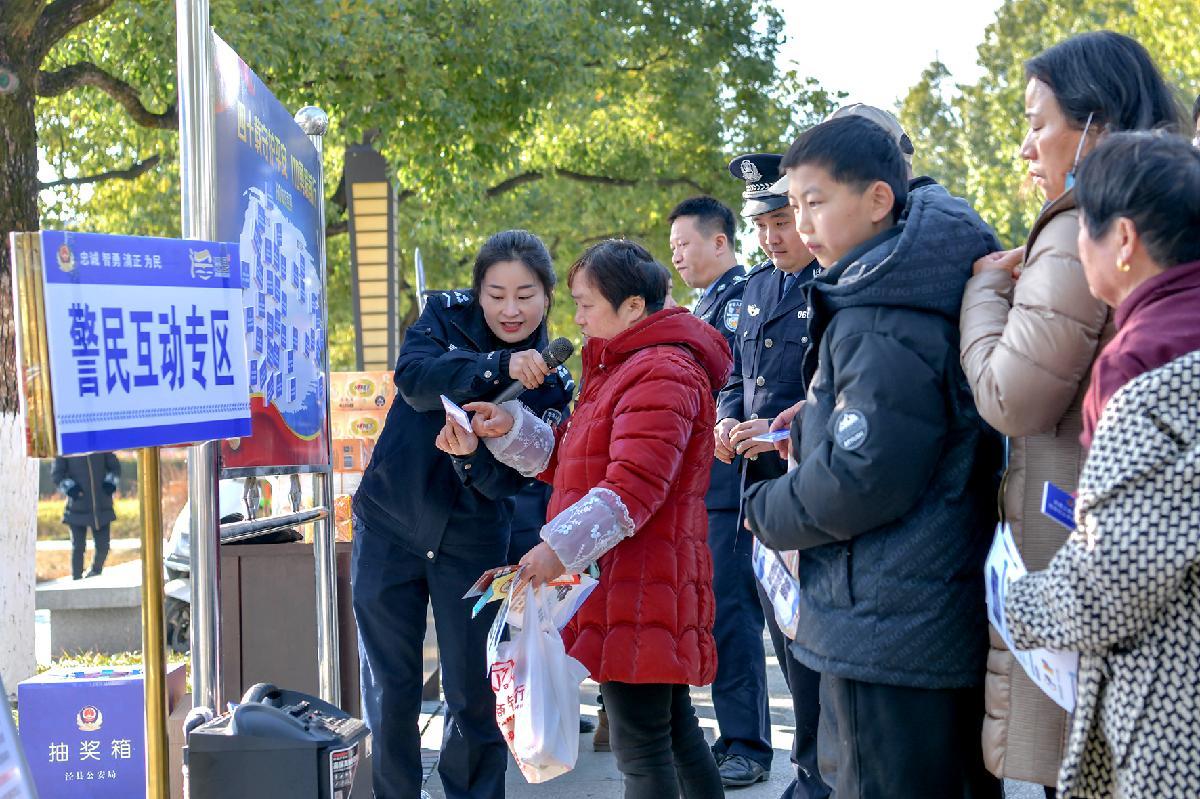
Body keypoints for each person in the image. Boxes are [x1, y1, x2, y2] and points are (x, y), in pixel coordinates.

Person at [743, 114, 1002, 799]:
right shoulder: (892, 287)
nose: (802, 225)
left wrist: (763, 507)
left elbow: (865, 476)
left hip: (888, 626)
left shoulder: (884, 310)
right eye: (793, 206)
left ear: (879, 198)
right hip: (912, 614)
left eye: (815, 202)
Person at [957, 30, 1184, 794]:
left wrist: (985, 291)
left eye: (1037, 122)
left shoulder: (1077, 227)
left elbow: (1010, 395)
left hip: (1085, 575)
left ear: (1097, 124)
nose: (1026, 146)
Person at [465, 239, 731, 799]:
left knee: (643, 747)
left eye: (586, 305)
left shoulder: (661, 371)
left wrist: (554, 549)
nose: (579, 319)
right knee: (671, 733)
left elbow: (633, 487)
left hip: (642, 578)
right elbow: (571, 459)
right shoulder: (625, 366)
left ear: (632, 306)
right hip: (629, 579)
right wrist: (509, 428)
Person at [1004, 130, 1200, 799]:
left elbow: (1113, 578)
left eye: (1081, 225)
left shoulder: (1139, 361)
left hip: (1175, 708)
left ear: (1122, 239)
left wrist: (1020, 604)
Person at [351, 229, 573, 799]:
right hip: (390, 521)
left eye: (525, 295)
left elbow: (514, 480)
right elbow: (414, 380)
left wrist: (474, 455)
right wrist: (499, 365)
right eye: (496, 295)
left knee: (474, 691)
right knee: (390, 687)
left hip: (473, 540)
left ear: (548, 296)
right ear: (477, 293)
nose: (510, 309)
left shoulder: (554, 380)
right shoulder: (443, 315)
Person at [713, 153, 825, 796]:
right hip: (754, 488)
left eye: (781, 222)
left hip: (807, 484)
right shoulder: (757, 288)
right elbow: (736, 375)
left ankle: (818, 776)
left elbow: (830, 391)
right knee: (778, 636)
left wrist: (779, 432)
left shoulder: (832, 281)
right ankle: (808, 769)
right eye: (761, 226)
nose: (772, 238)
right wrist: (727, 420)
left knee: (811, 643)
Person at [665, 195, 774, 788]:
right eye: (673, 246)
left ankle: (748, 745)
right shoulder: (705, 305)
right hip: (707, 484)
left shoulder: (743, 300)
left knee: (732, 613)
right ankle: (733, 734)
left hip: (733, 481)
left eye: (686, 243)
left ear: (720, 242)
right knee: (714, 613)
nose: (678, 255)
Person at [51, 452, 120, 580]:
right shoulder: (67, 448)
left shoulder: (100, 446)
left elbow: (115, 468)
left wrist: (110, 484)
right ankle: (76, 577)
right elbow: (57, 475)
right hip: (77, 506)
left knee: (103, 546)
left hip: (102, 506)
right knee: (78, 547)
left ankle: (95, 571)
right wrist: (71, 489)